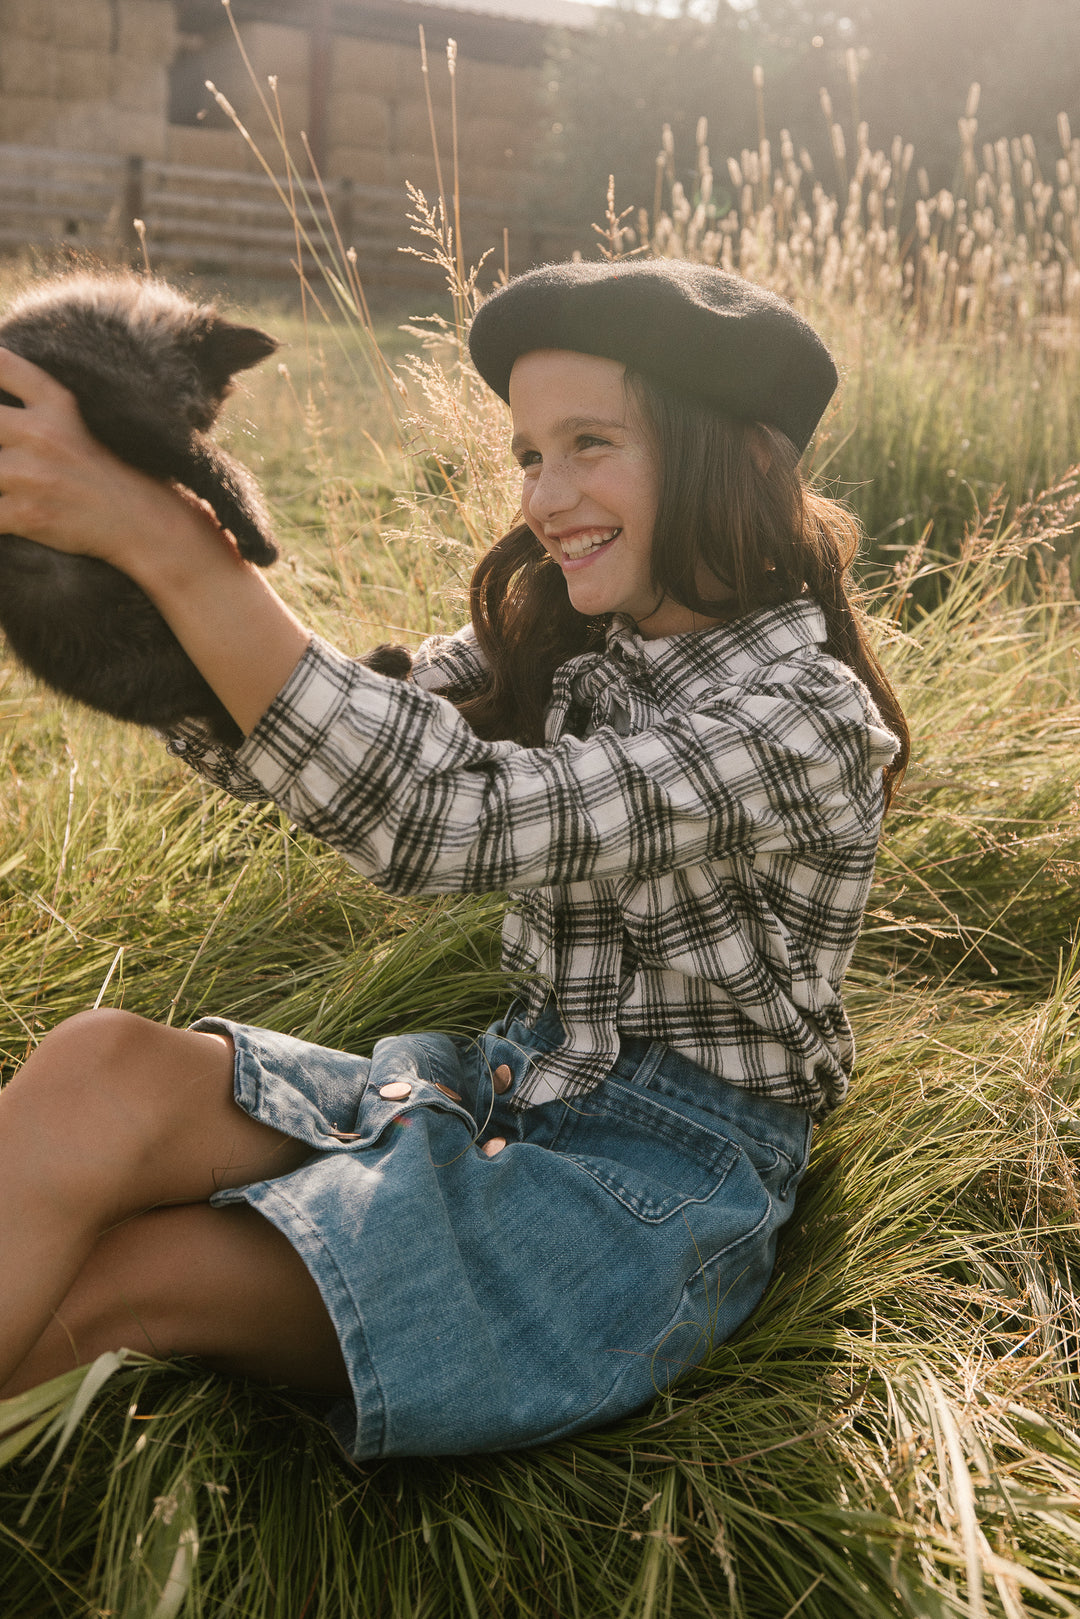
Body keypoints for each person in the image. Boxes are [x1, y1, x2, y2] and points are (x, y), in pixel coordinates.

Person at [0, 260, 907, 1460]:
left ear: (738, 457)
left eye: (591, 441)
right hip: (496, 1087)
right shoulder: (558, 641)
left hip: (643, 1197)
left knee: (124, 1280)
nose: (545, 493)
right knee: (98, 1063)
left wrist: (165, 541)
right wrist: (89, 572)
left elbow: (448, 818)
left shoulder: (805, 719)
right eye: (531, 452)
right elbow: (322, 729)